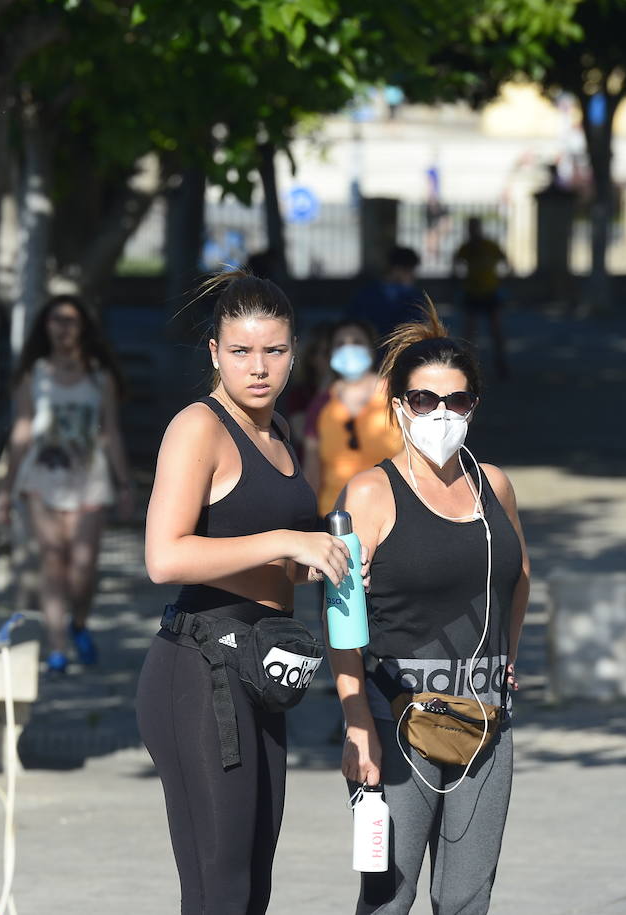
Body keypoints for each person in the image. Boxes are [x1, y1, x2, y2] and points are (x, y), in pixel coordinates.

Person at [136, 269, 350, 914]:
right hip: (199, 670)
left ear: (294, 352)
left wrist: (310, 565)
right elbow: (163, 556)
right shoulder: (198, 427)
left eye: (274, 351)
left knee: (254, 884)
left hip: (262, 667)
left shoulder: (280, 431)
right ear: (215, 353)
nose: (259, 368)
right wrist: (287, 542)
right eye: (241, 351)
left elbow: (262, 553)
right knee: (219, 889)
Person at [331, 300, 530, 914]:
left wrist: (509, 659)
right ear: (397, 406)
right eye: (424, 400)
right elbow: (341, 621)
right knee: (388, 899)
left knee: (467, 900)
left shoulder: (492, 485)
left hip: (484, 725)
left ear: (474, 407)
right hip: (398, 726)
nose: (440, 414)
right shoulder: (370, 493)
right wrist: (356, 723)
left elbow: (519, 578)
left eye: (457, 401)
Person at [0, 294, 133, 676]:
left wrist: (124, 485)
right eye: (56, 319)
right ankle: (57, 646)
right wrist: (6, 490)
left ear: (83, 328)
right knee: (52, 561)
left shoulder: (99, 376)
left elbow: (110, 431)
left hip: (88, 482)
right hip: (42, 479)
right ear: (46, 325)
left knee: (83, 565)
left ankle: (78, 622)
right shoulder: (34, 374)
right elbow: (22, 429)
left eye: (71, 320)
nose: (63, 327)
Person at [301, 319, 402, 516]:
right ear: (331, 354)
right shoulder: (321, 404)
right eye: (340, 344)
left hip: (391, 514)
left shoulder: (395, 395)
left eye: (356, 342)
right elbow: (312, 471)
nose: (349, 349)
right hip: (334, 518)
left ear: (371, 350)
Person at [452, 217, 512, 379]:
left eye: (474, 227)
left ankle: (501, 363)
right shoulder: (466, 248)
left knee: (496, 330)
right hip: (473, 292)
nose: (472, 231)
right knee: (470, 332)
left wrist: (501, 280)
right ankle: (468, 367)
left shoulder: (489, 246)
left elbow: (505, 261)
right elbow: (455, 263)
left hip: (489, 291)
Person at [347, 246, 425, 343]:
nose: (413, 277)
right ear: (397, 269)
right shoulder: (367, 295)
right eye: (409, 272)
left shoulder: (414, 297)